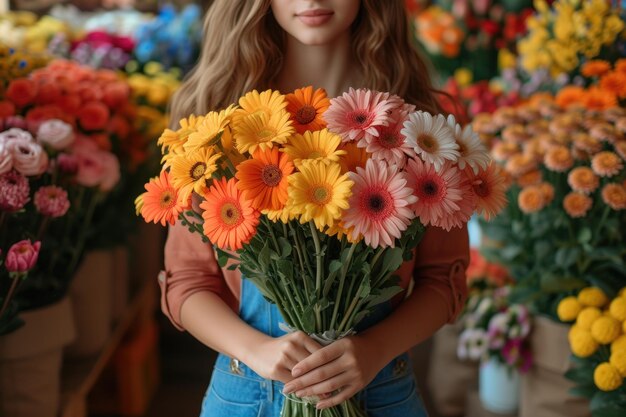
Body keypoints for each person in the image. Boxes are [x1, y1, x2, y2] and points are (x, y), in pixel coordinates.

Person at [160, 1, 470, 416]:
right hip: (247, 395)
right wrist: (256, 350)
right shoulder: (217, 130)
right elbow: (187, 283)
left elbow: (443, 281)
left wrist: (374, 349)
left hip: (381, 394)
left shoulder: (420, 130)